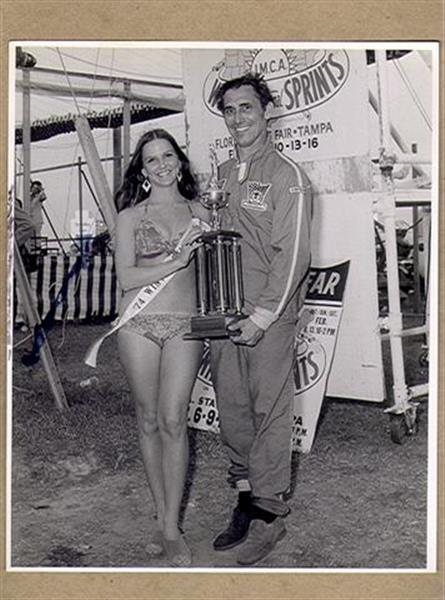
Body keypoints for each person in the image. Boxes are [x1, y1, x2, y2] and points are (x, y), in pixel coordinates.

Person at [210, 73, 313, 565]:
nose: (237, 119)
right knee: (231, 408)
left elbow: (293, 253)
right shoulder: (226, 173)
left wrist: (265, 314)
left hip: (267, 315)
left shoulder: (287, 174)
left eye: (246, 108)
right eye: (229, 110)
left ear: (266, 111)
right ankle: (246, 500)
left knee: (267, 409)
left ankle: (269, 516)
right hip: (226, 314)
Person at [114, 128, 206, 567]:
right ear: (143, 170)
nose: (162, 164)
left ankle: (171, 523)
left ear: (180, 161)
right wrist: (178, 259)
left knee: (174, 420)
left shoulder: (202, 212)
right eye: (152, 159)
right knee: (149, 419)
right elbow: (128, 279)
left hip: (185, 324)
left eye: (168, 155)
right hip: (139, 324)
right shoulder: (130, 216)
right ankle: (166, 522)